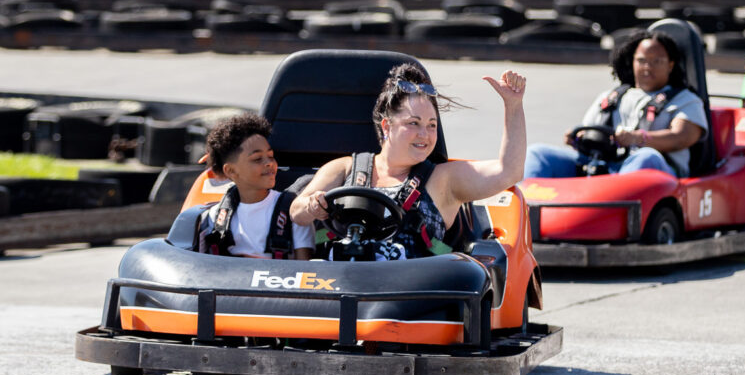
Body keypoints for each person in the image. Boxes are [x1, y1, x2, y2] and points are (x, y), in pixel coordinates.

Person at [291, 62, 526, 260]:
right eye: (414, 123)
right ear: (387, 126)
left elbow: (509, 171)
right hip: (337, 283)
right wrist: (313, 206)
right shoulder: (345, 168)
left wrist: (513, 105)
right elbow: (296, 212)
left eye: (431, 125)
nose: (424, 134)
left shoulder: (444, 179)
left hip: (410, 298)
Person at [522, 29, 708, 179]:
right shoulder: (612, 97)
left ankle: (616, 213)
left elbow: (682, 137)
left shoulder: (685, 100)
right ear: (632, 62)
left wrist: (637, 138)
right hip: (604, 165)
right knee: (538, 154)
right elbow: (588, 130)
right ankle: (527, 216)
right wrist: (575, 138)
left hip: (658, 172)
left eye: (656, 61)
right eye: (641, 61)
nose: (647, 67)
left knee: (646, 157)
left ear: (670, 65)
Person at [196, 112, 315, 260]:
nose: (269, 163)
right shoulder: (215, 217)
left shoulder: (295, 213)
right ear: (231, 170)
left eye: (271, 156)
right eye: (258, 159)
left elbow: (305, 272)